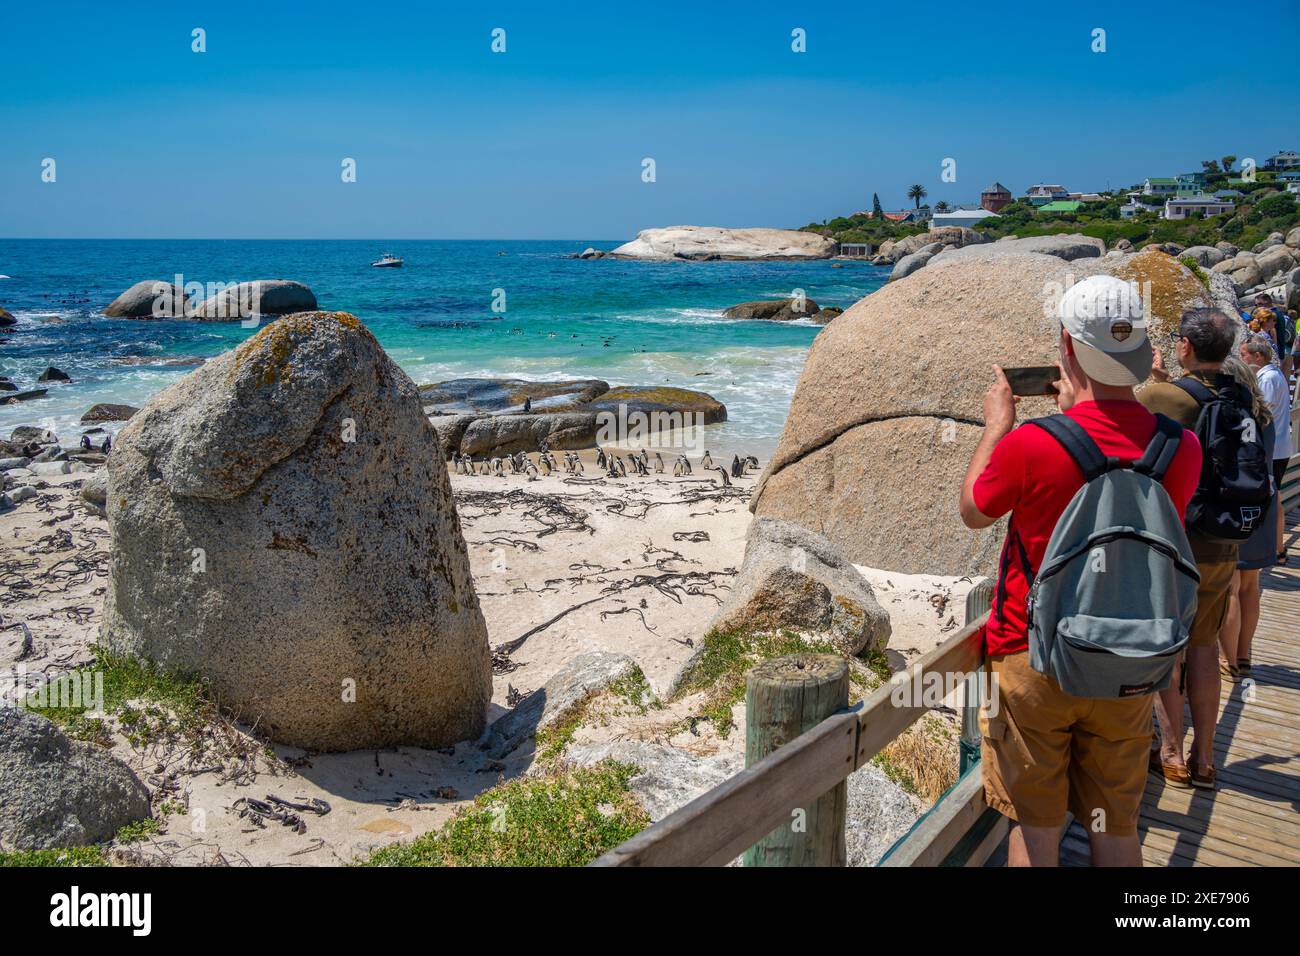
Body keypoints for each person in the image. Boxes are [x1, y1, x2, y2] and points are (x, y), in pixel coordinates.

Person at [959, 275, 1201, 866]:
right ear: (1141, 352)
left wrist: (999, 426)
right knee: (1116, 828)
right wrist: (1084, 412)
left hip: (1031, 656)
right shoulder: (1180, 448)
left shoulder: (1032, 443)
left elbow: (973, 510)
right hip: (1130, 659)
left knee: (1036, 832)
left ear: (1066, 348)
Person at [1139, 308, 1250, 790]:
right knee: (1204, 647)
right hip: (1223, 539)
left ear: (1184, 345)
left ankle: (1171, 754)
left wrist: (1155, 381)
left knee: (1170, 650)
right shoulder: (1242, 395)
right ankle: (1206, 757)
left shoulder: (1165, 396)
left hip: (1173, 540)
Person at [1214, 354, 1275, 680]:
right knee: (1251, 586)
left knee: (1231, 588)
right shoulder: (1263, 415)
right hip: (1263, 502)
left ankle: (1228, 658)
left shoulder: (1226, 414)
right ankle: (1245, 654)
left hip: (1234, 507)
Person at [1241, 332, 1294, 565]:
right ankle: (1278, 548)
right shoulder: (1274, 375)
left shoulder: (1267, 379)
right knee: (1276, 499)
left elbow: (1263, 412)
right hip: (1280, 447)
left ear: (1258, 356)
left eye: (1244, 355)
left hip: (1273, 450)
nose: (1241, 359)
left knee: (1274, 501)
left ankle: (1277, 549)